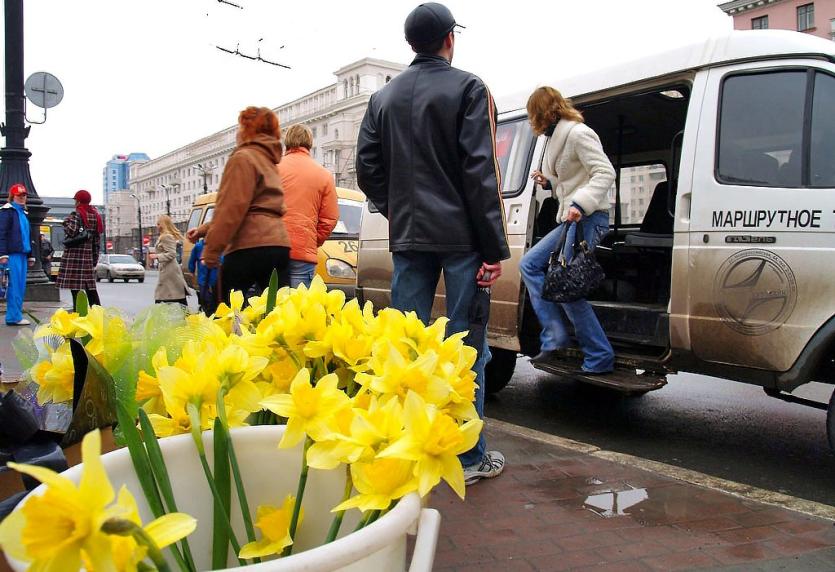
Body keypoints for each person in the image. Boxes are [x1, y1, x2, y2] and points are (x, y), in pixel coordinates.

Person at [355, 2, 509, 485]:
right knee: (465, 346)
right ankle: (468, 456)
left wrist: (397, 208)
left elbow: (367, 168)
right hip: (463, 238)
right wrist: (493, 248)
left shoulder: (383, 99)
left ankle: (406, 446)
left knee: (405, 349)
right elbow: (479, 170)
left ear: (411, 44)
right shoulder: (469, 87)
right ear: (449, 39)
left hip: (409, 238)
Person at [520, 86, 616, 374]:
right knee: (533, 266)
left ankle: (596, 355)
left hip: (588, 218)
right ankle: (555, 334)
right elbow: (571, 178)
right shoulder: (555, 139)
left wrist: (580, 202)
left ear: (541, 113)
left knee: (568, 288)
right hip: (571, 219)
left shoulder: (577, 133)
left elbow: (605, 172)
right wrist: (548, 183)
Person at [187, 106, 291, 302]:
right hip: (278, 244)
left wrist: (211, 251)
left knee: (226, 308)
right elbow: (256, 209)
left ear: (246, 130)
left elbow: (231, 208)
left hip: (249, 246)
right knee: (279, 312)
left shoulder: (243, 158)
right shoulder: (269, 161)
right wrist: (204, 230)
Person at [279, 124, 339, 288]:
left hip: (272, 248)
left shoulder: (272, 169)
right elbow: (330, 218)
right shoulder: (324, 175)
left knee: (270, 306)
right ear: (310, 143)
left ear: (286, 142)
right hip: (303, 252)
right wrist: (312, 241)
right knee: (299, 308)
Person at [58, 189, 102, 309]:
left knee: (76, 289)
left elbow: (71, 232)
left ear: (78, 201)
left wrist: (65, 222)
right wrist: (94, 259)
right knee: (90, 288)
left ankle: (79, 314)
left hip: (74, 258)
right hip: (87, 258)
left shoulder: (77, 214)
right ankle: (97, 312)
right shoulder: (96, 216)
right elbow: (97, 241)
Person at [0, 184, 36, 326]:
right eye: (19, 195)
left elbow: (27, 235)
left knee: (19, 286)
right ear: (12, 196)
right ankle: (14, 317)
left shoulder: (22, 213)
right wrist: (2, 254)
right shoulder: (7, 212)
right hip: (12, 255)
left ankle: (15, 315)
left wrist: (30, 255)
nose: (22, 198)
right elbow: (1, 234)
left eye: (24, 195)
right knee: (14, 286)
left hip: (21, 254)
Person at [154, 215, 190, 306]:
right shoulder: (163, 236)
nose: (157, 226)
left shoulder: (166, 237)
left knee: (163, 298)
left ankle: (186, 316)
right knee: (173, 296)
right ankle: (186, 316)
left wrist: (157, 256)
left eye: (158, 224)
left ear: (163, 225)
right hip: (167, 270)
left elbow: (172, 254)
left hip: (170, 271)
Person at [188, 237, 220, 315]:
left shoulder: (217, 246)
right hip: (203, 279)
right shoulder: (198, 246)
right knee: (205, 299)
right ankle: (207, 314)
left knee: (215, 301)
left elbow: (222, 259)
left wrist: (213, 260)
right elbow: (192, 260)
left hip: (215, 279)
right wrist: (191, 270)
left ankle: (213, 315)